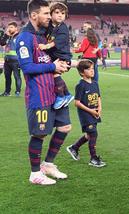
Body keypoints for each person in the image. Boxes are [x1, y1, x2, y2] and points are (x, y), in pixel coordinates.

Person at [16, 0, 71, 185]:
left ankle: (48, 164)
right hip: (38, 94)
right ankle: (34, 174)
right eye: (46, 13)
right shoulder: (24, 38)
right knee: (39, 134)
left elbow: (49, 59)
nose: (50, 17)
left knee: (64, 127)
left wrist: (61, 66)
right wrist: (52, 66)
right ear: (34, 15)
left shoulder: (42, 36)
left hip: (54, 92)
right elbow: (27, 67)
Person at [66, 59, 106, 167]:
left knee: (89, 135)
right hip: (86, 115)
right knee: (93, 134)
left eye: (93, 68)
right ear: (82, 72)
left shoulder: (95, 83)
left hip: (95, 113)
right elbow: (77, 103)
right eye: (89, 69)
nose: (92, 71)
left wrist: (99, 108)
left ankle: (74, 147)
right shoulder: (80, 85)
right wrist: (91, 111)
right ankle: (93, 158)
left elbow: (98, 97)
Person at [39, 2, 74, 109]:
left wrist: (46, 46)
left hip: (63, 56)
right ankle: (67, 94)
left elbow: (59, 41)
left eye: (63, 13)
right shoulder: (49, 25)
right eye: (57, 12)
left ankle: (61, 96)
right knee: (53, 73)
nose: (60, 15)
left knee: (55, 73)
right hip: (54, 56)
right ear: (51, 14)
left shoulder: (63, 28)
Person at [0, 21, 22, 97]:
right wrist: (6, 35)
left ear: (16, 28)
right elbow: (2, 43)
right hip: (7, 60)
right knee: (7, 77)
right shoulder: (8, 36)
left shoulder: (19, 36)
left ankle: (17, 92)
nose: (9, 29)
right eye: (8, 27)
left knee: (17, 76)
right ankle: (7, 92)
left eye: (11, 27)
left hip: (16, 61)